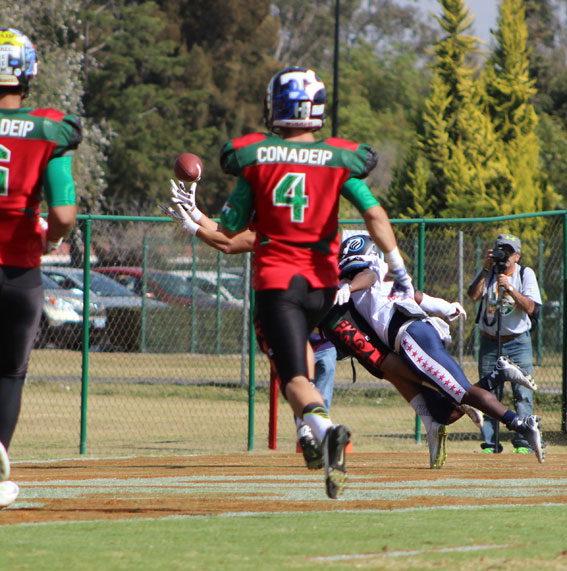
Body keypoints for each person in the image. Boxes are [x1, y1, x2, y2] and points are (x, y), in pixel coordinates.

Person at [162, 66, 413, 499]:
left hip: (279, 285)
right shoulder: (337, 160)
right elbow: (374, 214)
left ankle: (322, 427)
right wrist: (399, 270)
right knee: (306, 357)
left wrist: (196, 220)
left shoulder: (258, 159)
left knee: (293, 376)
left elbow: (233, 232)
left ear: (274, 108)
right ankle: (311, 432)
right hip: (322, 286)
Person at [160, 192, 536, 470]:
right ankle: (320, 428)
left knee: (369, 365)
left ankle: (314, 431)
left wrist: (193, 223)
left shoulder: (313, 239)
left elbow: (230, 241)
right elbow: (228, 236)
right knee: (386, 371)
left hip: (332, 313)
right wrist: (193, 216)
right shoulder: (291, 229)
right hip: (326, 313)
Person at [336, 233, 545, 463]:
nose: (353, 273)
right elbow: (419, 297)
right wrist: (447, 307)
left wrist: (349, 286)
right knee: (444, 412)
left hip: (412, 337)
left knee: (461, 392)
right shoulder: (368, 280)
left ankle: (521, 424)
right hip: (413, 338)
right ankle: (497, 375)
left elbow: (368, 274)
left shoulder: (370, 273)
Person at [0, 29, 81, 507]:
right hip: (19, 270)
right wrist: (47, 237)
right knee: (10, 372)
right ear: (28, 71)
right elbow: (65, 215)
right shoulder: (48, 128)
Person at [467, 233, 542, 455]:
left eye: (508, 251)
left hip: (518, 342)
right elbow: (473, 295)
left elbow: (531, 308)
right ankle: (490, 443)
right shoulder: (488, 273)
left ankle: (523, 442)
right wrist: (485, 268)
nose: (504, 255)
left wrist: (509, 288)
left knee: (523, 393)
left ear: (517, 255)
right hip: (490, 342)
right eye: (500, 249)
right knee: (488, 394)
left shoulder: (525, 274)